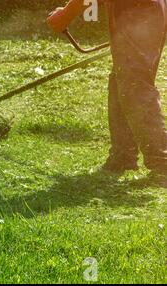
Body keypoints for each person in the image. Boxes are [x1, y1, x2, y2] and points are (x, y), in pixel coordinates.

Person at [47, 0, 167, 182]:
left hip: (136, 9)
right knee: (123, 81)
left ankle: (162, 161)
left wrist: (65, 15)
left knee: (135, 85)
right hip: (147, 9)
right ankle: (123, 155)